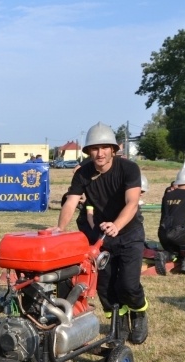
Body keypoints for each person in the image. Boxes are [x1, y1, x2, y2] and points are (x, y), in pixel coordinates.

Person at [56, 121, 149, 344]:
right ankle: (119, 323)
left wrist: (117, 224)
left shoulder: (129, 169)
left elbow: (132, 202)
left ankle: (138, 313)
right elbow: (70, 203)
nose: (100, 153)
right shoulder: (83, 173)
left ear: (114, 149)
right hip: (101, 239)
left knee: (128, 284)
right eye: (94, 149)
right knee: (105, 287)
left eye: (104, 147)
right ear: (88, 151)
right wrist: (59, 230)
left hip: (129, 234)